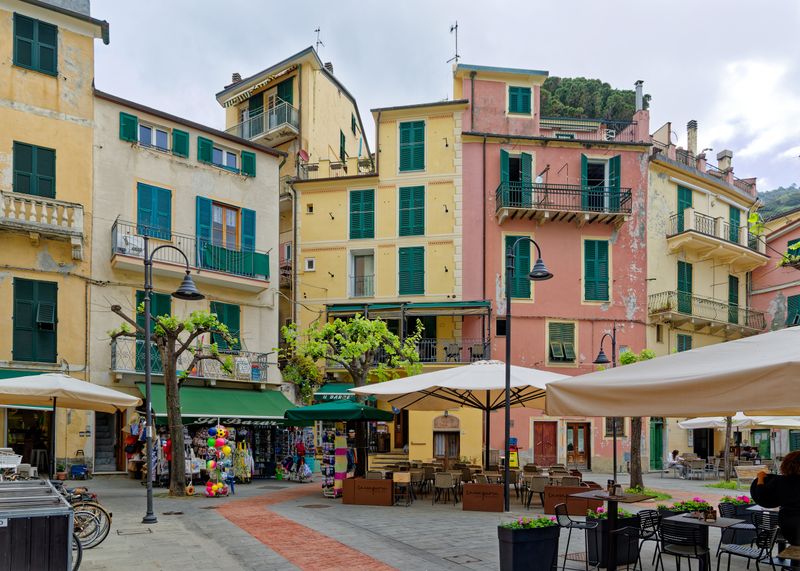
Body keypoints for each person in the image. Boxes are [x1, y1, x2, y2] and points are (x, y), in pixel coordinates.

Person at [751, 450, 800, 546]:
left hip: (789, 522)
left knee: (795, 548)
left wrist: (760, 478)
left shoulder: (780, 481)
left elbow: (761, 494)